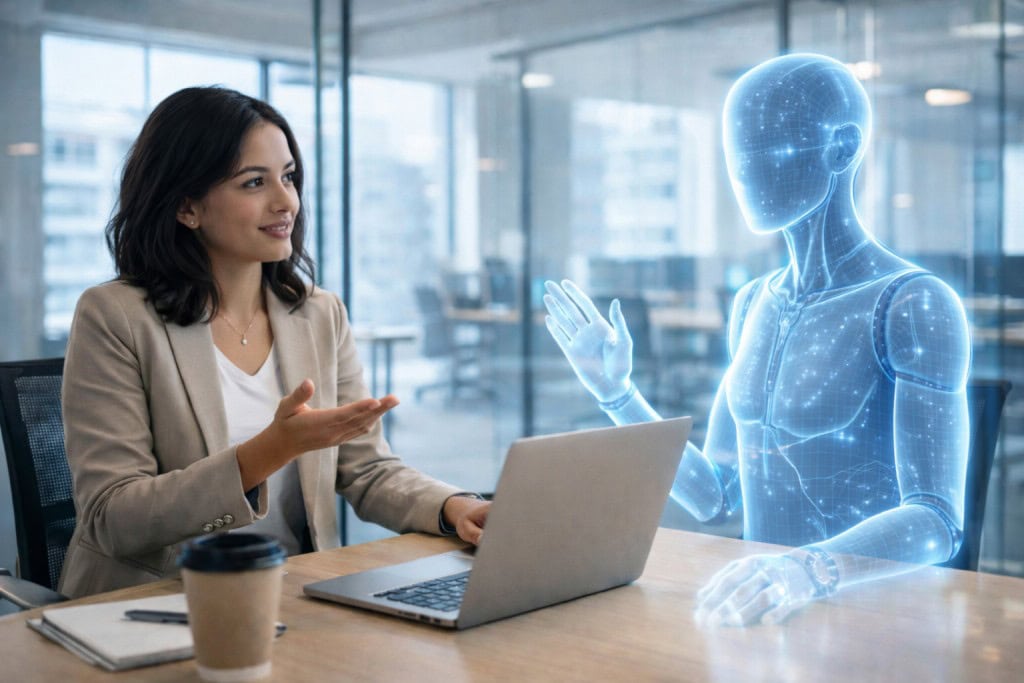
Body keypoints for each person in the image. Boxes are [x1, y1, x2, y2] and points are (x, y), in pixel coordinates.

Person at [543, 53, 971, 627]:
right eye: (734, 154)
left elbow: (938, 520)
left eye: (765, 150)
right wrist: (618, 395)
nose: (743, 172)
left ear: (841, 149)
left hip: (872, 617)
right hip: (762, 610)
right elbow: (715, 496)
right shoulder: (752, 304)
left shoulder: (913, 303)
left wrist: (807, 570)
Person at [58, 86, 489, 599]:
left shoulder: (318, 313)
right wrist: (268, 451)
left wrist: (457, 508)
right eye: (254, 182)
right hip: (155, 603)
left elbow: (367, 469)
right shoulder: (116, 317)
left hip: (296, 596)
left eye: (288, 177)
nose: (286, 201)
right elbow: (113, 515)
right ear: (187, 207)